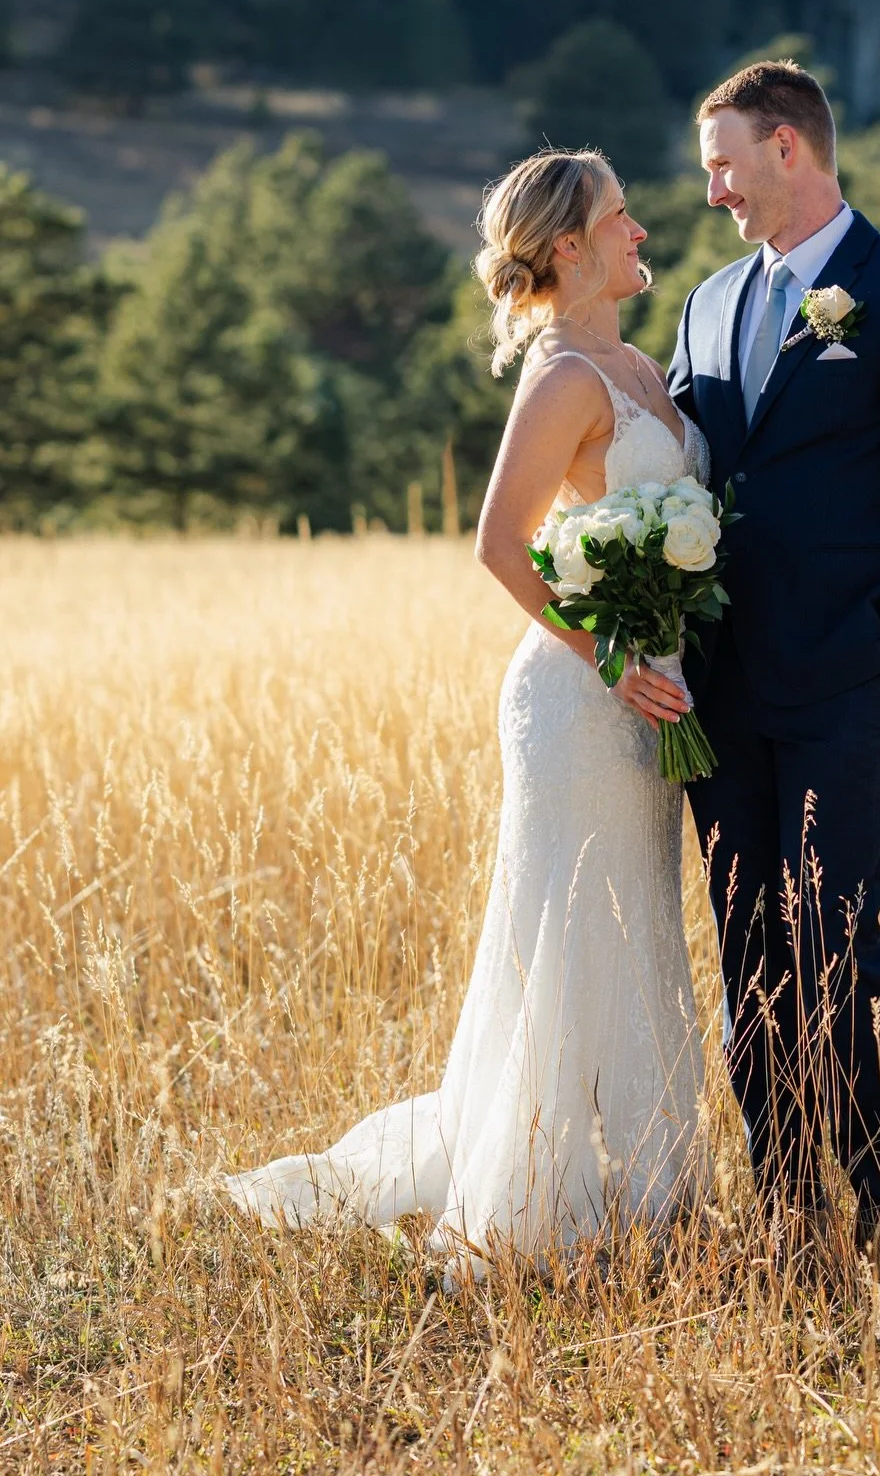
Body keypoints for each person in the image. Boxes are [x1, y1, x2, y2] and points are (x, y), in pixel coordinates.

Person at [225, 150, 706, 1278]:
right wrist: (613, 655)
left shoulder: (635, 361)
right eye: (619, 218)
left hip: (650, 695)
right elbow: (500, 544)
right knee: (568, 928)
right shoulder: (562, 381)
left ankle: (642, 1184)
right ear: (571, 250)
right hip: (581, 699)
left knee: (639, 926)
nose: (640, 232)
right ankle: (542, 1194)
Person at [668, 61, 880, 1260]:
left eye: (725, 162)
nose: (714, 191)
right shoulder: (704, 303)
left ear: (789, 147)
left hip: (849, 681)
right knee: (748, 936)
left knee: (834, 934)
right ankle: (789, 1205)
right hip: (719, 690)